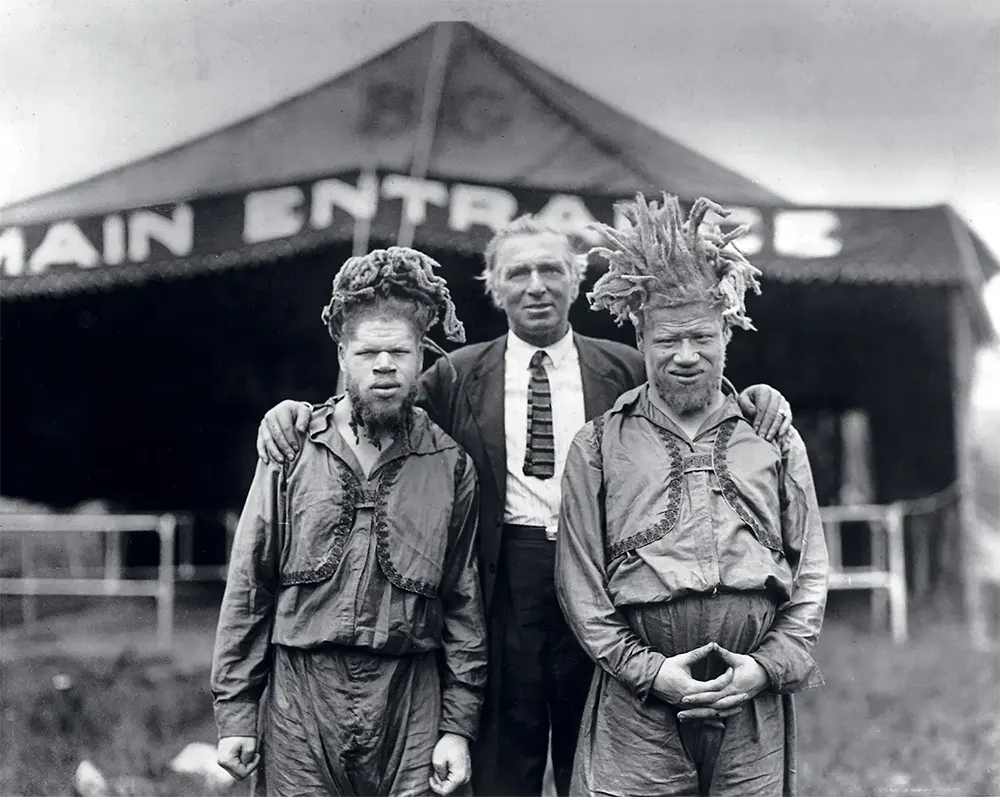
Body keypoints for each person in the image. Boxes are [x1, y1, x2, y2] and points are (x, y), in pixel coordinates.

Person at [255, 217, 792, 797]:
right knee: (504, 759)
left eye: (551, 269)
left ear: (576, 278)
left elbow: (693, 394)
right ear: (494, 286)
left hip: (605, 580)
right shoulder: (456, 375)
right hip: (501, 581)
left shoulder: (623, 367)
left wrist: (758, 397)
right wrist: (299, 412)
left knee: (594, 749)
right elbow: (384, 400)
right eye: (519, 272)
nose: (536, 285)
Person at [555, 194, 829, 797]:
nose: (685, 357)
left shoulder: (772, 434)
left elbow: (810, 572)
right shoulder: (596, 446)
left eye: (702, 337)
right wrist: (650, 673)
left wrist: (766, 666)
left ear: (729, 330)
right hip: (638, 708)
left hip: (751, 707)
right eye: (666, 341)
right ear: (641, 337)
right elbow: (580, 587)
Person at [212, 247, 487, 797]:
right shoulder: (291, 450)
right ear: (342, 354)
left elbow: (464, 603)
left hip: (410, 700)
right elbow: (249, 585)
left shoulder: (451, 465)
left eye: (399, 352)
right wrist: (237, 712)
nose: (384, 366)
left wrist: (457, 725)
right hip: (301, 701)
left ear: (421, 357)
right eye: (368, 353)